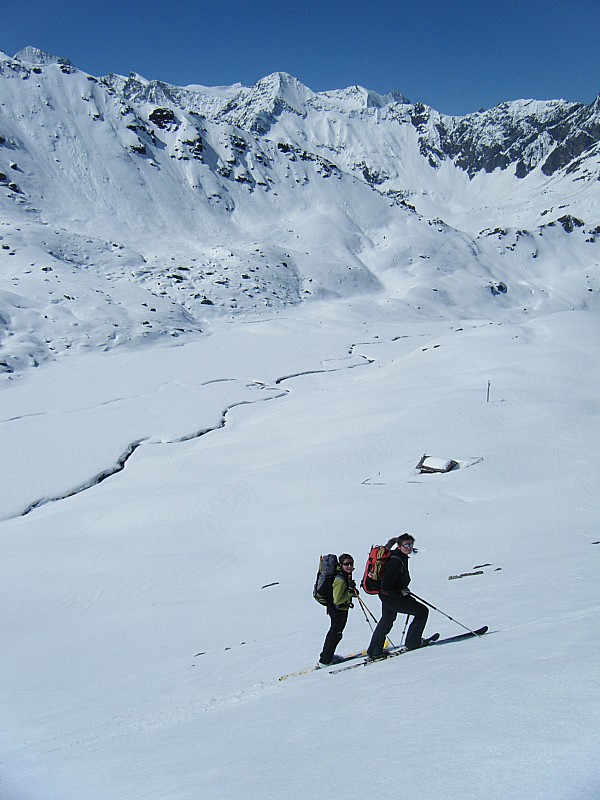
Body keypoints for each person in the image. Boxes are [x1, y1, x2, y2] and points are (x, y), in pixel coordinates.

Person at [367, 534, 429, 659]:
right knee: (422, 611)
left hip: (387, 596)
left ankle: (374, 650)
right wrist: (400, 592)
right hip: (392, 597)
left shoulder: (397, 557)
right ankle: (413, 643)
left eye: (410, 544)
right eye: (405, 545)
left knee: (387, 619)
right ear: (399, 546)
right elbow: (386, 584)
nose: (409, 547)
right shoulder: (396, 561)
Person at [317, 554, 357, 667]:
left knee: (335, 633)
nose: (349, 566)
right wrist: (350, 592)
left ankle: (327, 657)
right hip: (338, 609)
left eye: (351, 564)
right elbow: (338, 600)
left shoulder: (344, 576)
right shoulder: (340, 579)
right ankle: (325, 660)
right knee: (335, 633)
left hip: (338, 609)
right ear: (340, 565)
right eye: (346, 564)